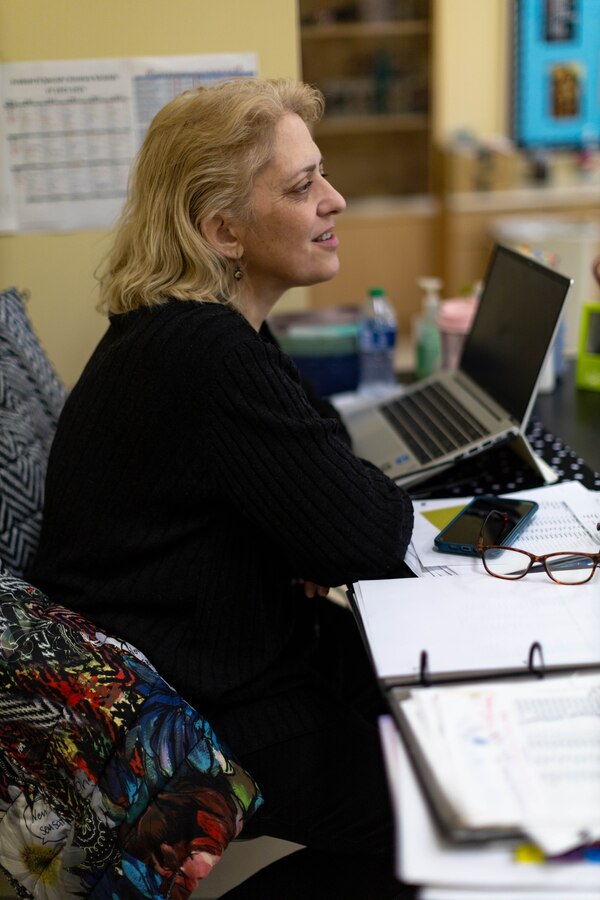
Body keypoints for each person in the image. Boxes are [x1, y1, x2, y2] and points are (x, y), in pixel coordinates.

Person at [27, 78, 415, 898]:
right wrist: (319, 524)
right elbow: (367, 535)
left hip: (237, 659)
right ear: (222, 230)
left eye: (322, 174)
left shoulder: (200, 327)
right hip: (202, 721)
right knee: (442, 815)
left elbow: (327, 463)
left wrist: (314, 521)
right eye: (303, 186)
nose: (334, 200)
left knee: (422, 702)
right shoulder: (205, 352)